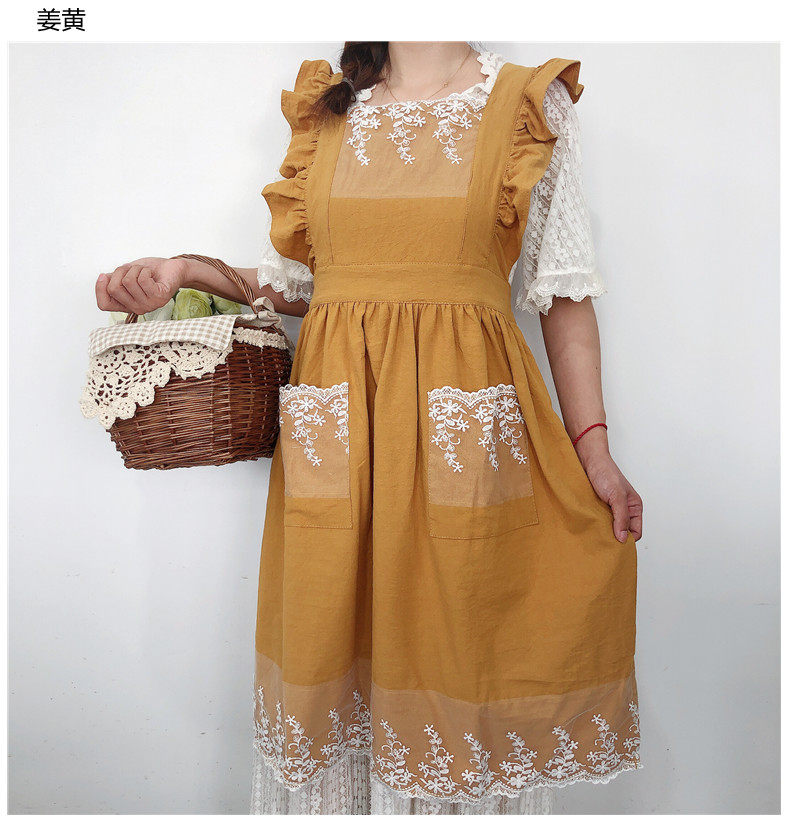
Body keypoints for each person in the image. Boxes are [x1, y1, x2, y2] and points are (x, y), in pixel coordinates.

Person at [96, 41, 643, 816]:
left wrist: (597, 451)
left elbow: (563, 294)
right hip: (341, 443)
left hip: (462, 441)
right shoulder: (327, 109)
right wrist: (188, 272)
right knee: (331, 642)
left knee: (458, 656)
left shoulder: (524, 103)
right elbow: (305, 288)